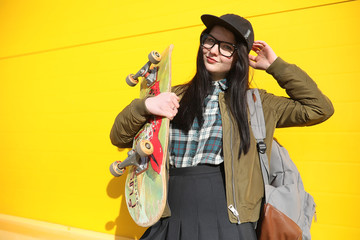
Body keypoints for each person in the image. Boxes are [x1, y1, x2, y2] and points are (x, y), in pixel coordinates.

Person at [110, 14, 334, 240]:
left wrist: (275, 66)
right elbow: (119, 136)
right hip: (170, 213)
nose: (214, 50)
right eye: (210, 41)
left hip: (228, 218)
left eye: (227, 47)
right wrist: (146, 105)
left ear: (240, 57)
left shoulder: (256, 103)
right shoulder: (173, 96)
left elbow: (319, 108)